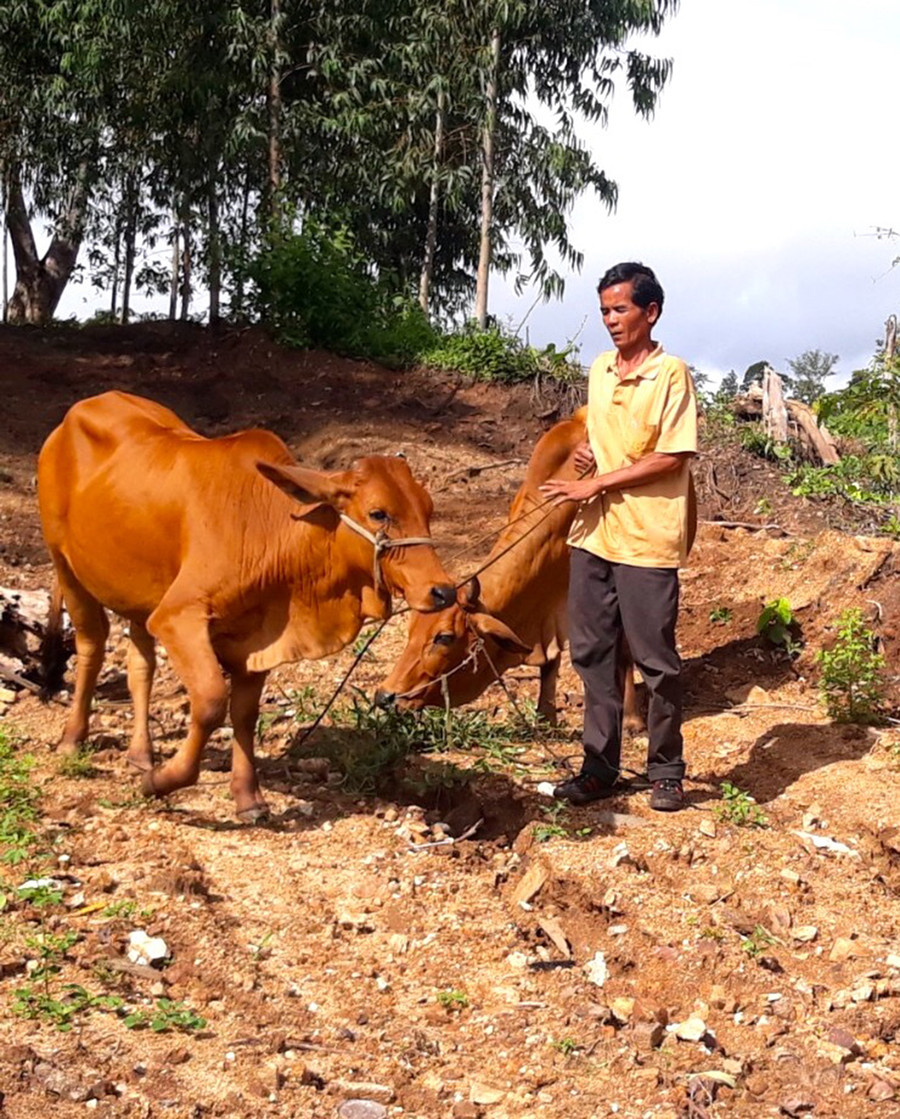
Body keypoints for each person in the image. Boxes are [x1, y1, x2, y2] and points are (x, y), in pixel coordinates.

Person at [539, 262, 697, 812]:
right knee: (591, 653)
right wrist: (587, 453)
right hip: (593, 536)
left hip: (646, 538)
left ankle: (666, 770)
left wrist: (599, 481)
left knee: (656, 661)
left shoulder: (671, 373)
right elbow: (601, 433)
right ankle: (599, 768)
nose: (610, 320)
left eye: (621, 309)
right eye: (605, 310)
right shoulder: (602, 369)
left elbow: (673, 454)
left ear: (650, 312)